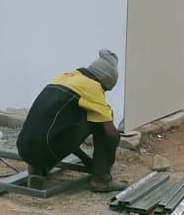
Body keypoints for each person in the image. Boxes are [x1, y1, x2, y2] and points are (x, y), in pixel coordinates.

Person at [17, 49, 127, 192]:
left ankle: (36, 170)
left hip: (24, 149)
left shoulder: (65, 77)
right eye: (104, 89)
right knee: (104, 118)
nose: (103, 92)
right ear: (103, 80)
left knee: (58, 124)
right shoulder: (92, 87)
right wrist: (110, 150)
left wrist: (87, 160)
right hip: (48, 150)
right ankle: (101, 180)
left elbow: (60, 127)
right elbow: (111, 134)